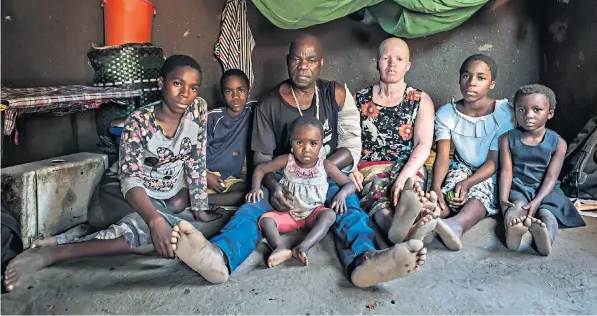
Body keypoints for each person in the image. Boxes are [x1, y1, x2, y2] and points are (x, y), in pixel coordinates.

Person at [169, 34, 427, 288]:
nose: (303, 66)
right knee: (251, 209)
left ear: (321, 63)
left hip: (328, 171)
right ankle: (219, 255)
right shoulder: (269, 104)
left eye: (311, 60)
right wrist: (272, 185)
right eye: (296, 59)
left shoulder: (335, 93)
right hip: (285, 177)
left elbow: (352, 143)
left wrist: (321, 168)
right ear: (287, 61)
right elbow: (262, 158)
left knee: (349, 209)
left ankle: (365, 260)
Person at [4, 55, 222, 292]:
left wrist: (200, 208)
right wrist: (155, 219)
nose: (185, 94)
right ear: (161, 82)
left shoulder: (198, 109)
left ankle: (77, 235)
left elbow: (196, 157)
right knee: (152, 231)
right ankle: (53, 252)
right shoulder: (138, 122)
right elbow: (130, 180)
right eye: (177, 83)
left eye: (193, 87)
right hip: (123, 191)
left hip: (165, 189)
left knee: (177, 206)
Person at [351, 38, 437, 245]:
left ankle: (412, 214)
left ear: (407, 66)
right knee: (376, 192)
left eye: (399, 59)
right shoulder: (359, 98)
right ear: (377, 62)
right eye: (386, 58)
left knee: (409, 189)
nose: (392, 64)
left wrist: (403, 177)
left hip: (408, 164)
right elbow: (349, 138)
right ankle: (397, 230)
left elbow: (423, 144)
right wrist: (352, 166)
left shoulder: (419, 99)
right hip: (370, 165)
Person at [247, 115, 356, 267]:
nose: (306, 149)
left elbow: (349, 184)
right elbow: (261, 168)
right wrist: (255, 188)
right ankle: (280, 247)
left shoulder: (325, 166)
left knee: (329, 215)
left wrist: (341, 195)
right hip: (288, 213)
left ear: (321, 144)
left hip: (313, 213)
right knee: (266, 220)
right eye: (299, 142)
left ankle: (304, 246)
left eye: (313, 143)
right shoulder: (287, 160)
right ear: (291, 142)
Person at [431, 54, 515, 251]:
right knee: (450, 193)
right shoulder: (446, 114)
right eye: (466, 76)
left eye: (480, 78)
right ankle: (427, 217)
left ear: (492, 83)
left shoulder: (503, 113)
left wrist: (468, 182)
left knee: (482, 192)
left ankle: (456, 225)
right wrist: (435, 186)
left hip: (491, 168)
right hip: (461, 165)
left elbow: (494, 161)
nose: (471, 83)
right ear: (459, 78)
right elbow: (443, 156)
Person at [499, 84, 585, 255]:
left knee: (548, 214)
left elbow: (551, 178)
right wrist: (502, 200)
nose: (528, 115)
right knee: (516, 208)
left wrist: (537, 201)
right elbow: (506, 172)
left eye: (536, 110)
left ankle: (545, 239)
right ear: (515, 111)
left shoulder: (558, 143)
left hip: (547, 189)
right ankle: (512, 236)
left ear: (550, 113)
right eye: (521, 110)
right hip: (519, 186)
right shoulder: (507, 139)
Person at [206, 69, 256, 207]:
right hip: (206, 172)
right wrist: (204, 176)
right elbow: (192, 153)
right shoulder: (212, 118)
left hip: (229, 178)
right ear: (223, 94)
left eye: (241, 90)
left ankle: (204, 200)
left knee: (249, 194)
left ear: (248, 90)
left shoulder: (254, 111)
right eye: (229, 91)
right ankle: (197, 197)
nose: (235, 97)